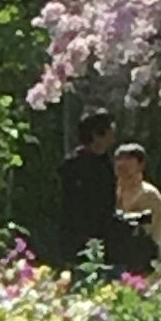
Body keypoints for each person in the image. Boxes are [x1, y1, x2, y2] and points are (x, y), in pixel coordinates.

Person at [60, 106, 120, 265]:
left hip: (104, 232)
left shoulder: (105, 162)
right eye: (110, 132)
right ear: (97, 134)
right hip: (78, 232)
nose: (113, 138)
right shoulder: (74, 164)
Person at [106, 139, 161, 274]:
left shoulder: (149, 195)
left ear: (141, 165)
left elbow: (142, 233)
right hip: (117, 262)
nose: (122, 164)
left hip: (147, 263)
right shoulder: (110, 192)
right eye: (119, 159)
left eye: (128, 159)